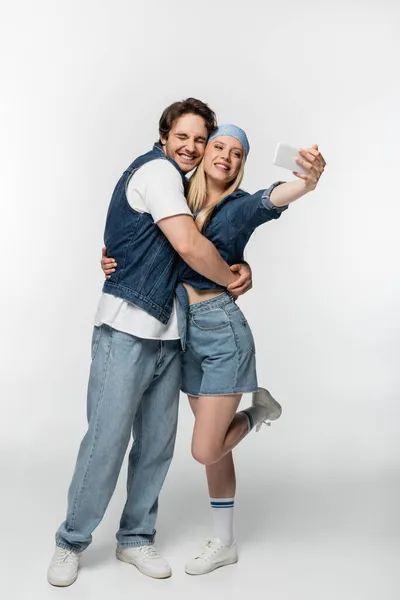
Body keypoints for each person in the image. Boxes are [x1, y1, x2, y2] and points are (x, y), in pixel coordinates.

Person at [102, 124, 326, 575]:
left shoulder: (238, 206)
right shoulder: (178, 197)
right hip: (182, 335)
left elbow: (273, 198)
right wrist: (108, 257)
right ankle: (224, 542)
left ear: (242, 165)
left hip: (221, 332)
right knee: (218, 450)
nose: (226, 156)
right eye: (218, 146)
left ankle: (259, 411)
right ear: (203, 153)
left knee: (205, 449)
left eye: (237, 153)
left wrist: (308, 182)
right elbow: (142, 236)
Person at [47, 99, 253, 587]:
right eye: (183, 136)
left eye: (200, 140)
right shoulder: (158, 171)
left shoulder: (189, 188)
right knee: (106, 441)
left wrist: (238, 266)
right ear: (164, 138)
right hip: (126, 331)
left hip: (172, 335)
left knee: (157, 446)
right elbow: (187, 245)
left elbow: (200, 241)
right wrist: (231, 279)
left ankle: (135, 537)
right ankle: (71, 541)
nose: (192, 146)